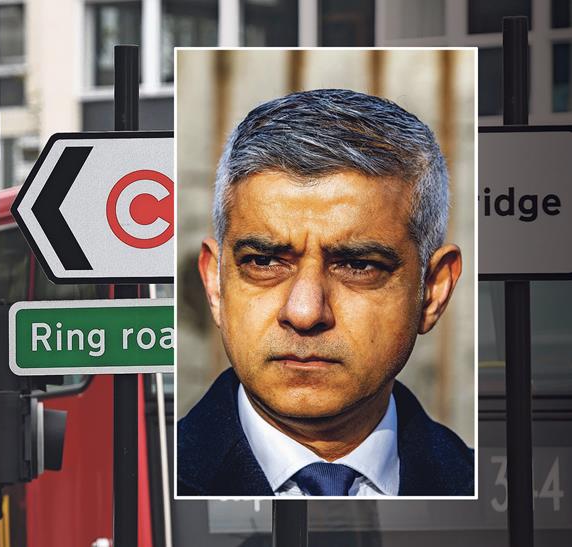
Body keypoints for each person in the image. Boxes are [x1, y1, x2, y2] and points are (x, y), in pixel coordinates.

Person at [177, 89, 473, 497]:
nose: (304, 312)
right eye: (263, 262)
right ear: (215, 282)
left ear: (433, 290)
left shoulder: (496, 496)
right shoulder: (137, 488)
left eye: (358, 265)